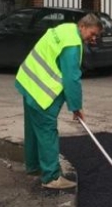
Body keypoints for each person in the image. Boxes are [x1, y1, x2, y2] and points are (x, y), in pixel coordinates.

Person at [15, 13, 103, 190]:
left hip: (28, 80)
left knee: (33, 128)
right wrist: (76, 107)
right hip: (41, 91)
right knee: (47, 130)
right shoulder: (72, 45)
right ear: (82, 27)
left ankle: (34, 167)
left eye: (96, 36)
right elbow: (71, 79)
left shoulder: (66, 29)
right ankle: (51, 177)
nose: (93, 39)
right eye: (92, 34)